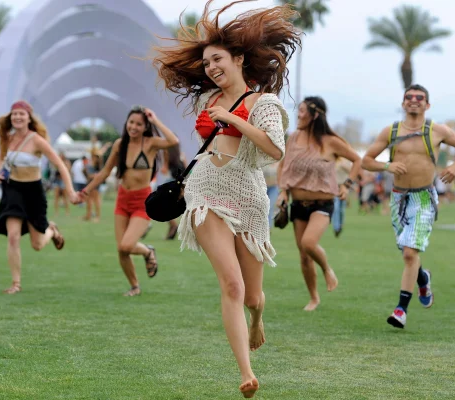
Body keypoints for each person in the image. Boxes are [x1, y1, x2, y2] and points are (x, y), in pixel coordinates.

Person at [152, 1, 300, 397]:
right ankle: (246, 372)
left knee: (252, 296)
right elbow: (211, 146)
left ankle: (258, 319)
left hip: (249, 197)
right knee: (232, 285)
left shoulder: (264, 104)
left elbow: (275, 149)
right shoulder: (208, 100)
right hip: (205, 193)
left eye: (217, 59)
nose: (211, 67)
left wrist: (233, 119)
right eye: (206, 63)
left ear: (238, 59)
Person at [362, 84, 455, 329]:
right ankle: (423, 279)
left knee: (410, 253)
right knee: (408, 251)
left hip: (423, 198)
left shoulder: (437, 130)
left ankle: (401, 310)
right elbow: (366, 161)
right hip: (398, 198)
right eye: (409, 97)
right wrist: (387, 166)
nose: (414, 100)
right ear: (403, 103)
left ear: (427, 104)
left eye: (419, 97)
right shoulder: (390, 131)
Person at [76, 106, 179, 296]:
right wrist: (85, 192)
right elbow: (105, 172)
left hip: (142, 201)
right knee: (121, 250)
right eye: (131, 122)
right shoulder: (120, 144)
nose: (134, 127)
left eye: (139, 124)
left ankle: (147, 251)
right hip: (122, 199)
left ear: (145, 126)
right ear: (126, 123)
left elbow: (173, 141)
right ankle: (135, 286)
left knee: (126, 245)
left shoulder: (150, 143)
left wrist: (155, 120)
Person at [277, 97, 361, 311]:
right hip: (298, 204)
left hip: (322, 204)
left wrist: (347, 185)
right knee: (304, 257)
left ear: (315, 115)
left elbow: (357, 160)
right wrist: (283, 192)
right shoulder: (293, 138)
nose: (298, 115)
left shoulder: (330, 141)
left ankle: (326, 269)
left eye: (302, 111)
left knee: (308, 243)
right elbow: (283, 166)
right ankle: (314, 298)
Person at [0, 100, 77, 294]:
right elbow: (0, 157)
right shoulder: (7, 138)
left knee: (37, 245)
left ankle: (51, 231)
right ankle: (16, 283)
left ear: (29, 118)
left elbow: (60, 165)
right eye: (14, 114)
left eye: (22, 114)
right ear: (10, 117)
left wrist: (70, 191)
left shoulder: (37, 140)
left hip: (33, 193)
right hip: (12, 189)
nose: (18, 117)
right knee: (13, 236)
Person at [155, 144, 187, 239]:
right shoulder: (181, 154)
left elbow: (164, 170)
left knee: (160, 204)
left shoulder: (166, 153)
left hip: (172, 182)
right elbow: (186, 168)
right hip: (183, 183)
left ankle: (173, 225)